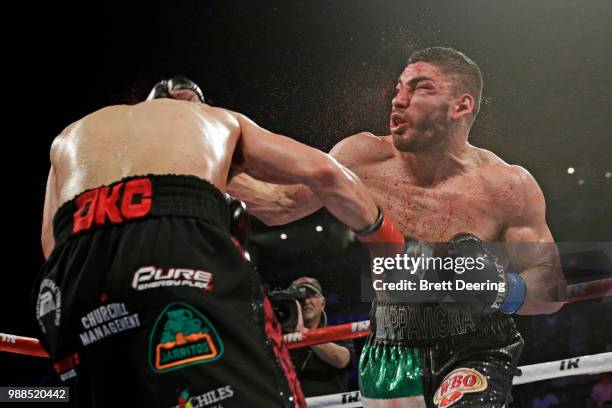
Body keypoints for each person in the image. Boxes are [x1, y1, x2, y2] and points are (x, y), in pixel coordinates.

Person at [34, 76, 404, 407]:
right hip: (174, 247)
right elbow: (320, 174)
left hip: (70, 279)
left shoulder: (72, 135)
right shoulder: (213, 120)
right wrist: (386, 239)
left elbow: (51, 245)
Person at [229, 47, 566, 407]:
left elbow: (550, 287)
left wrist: (499, 288)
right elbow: (279, 204)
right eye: (397, 89)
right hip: (390, 344)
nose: (398, 100)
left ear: (461, 106)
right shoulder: (361, 157)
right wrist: (200, 148)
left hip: (474, 340)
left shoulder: (507, 185)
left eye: (420, 88)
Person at [288, 277, 355, 397]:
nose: (306, 301)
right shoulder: (281, 338)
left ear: (323, 303)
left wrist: (304, 333)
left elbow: (342, 360)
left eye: (311, 295)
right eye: (299, 297)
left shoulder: (337, 333)